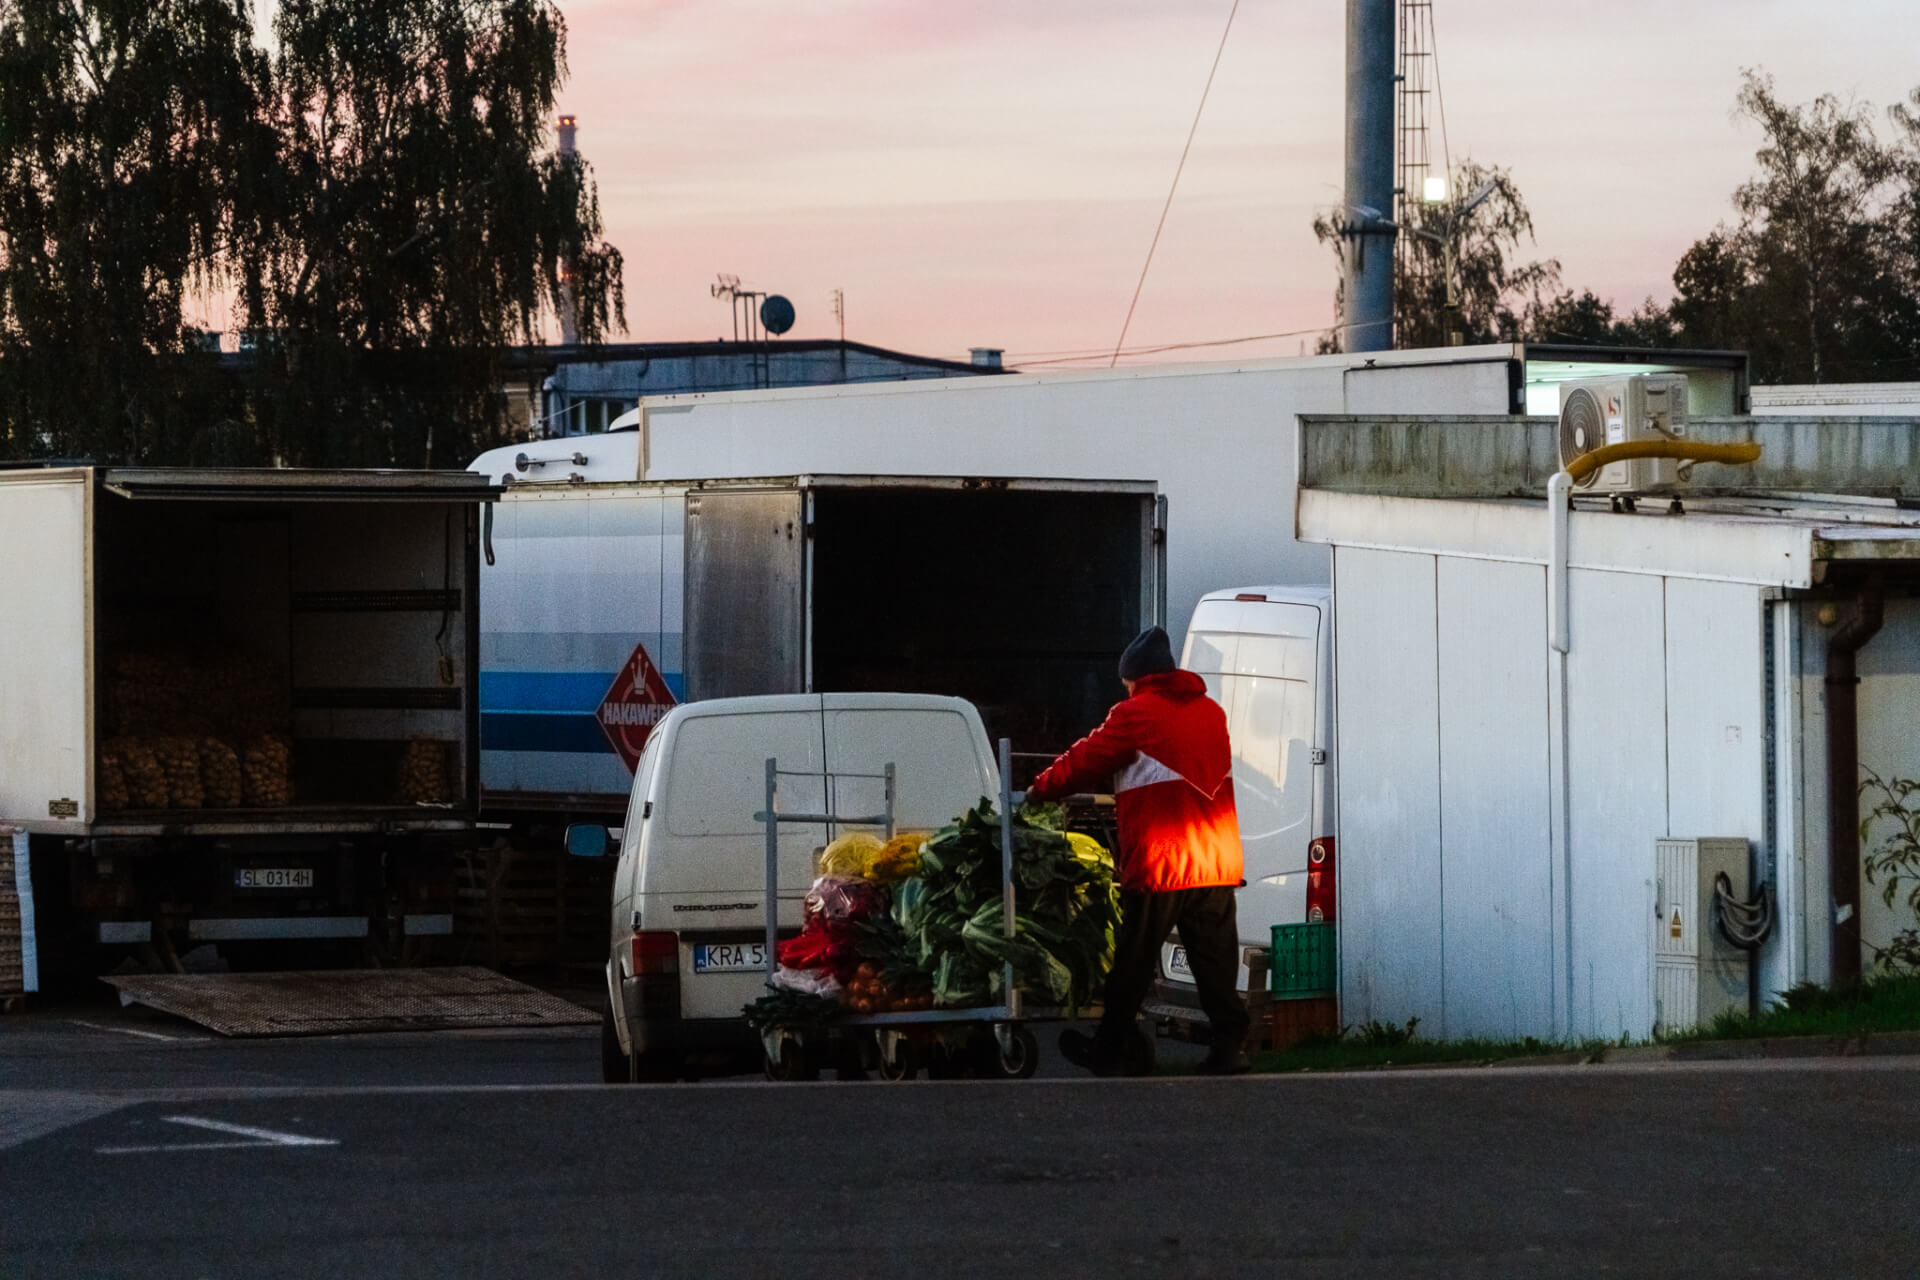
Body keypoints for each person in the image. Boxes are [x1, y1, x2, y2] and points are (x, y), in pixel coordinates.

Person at [1025, 625, 1250, 1076]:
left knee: (1133, 961)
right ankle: (1230, 1050)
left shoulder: (1135, 714)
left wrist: (1037, 791)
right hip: (1217, 859)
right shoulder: (1212, 712)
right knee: (1216, 966)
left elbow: (1087, 758)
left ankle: (1108, 1048)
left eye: (1126, 682)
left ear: (1137, 678)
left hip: (1163, 859)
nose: (1124, 689)